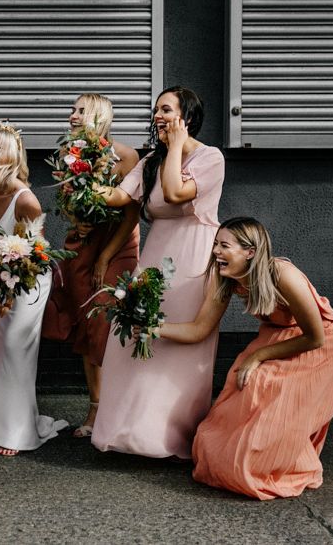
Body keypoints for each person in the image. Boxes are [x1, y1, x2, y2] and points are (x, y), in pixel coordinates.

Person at [153, 217, 333, 499]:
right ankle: (232, 456)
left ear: (250, 251)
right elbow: (199, 329)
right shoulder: (227, 280)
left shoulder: (281, 274)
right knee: (240, 386)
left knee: (266, 387)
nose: (216, 252)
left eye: (224, 246)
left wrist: (258, 356)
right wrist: (152, 328)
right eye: (215, 245)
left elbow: (315, 337)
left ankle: (267, 457)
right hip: (278, 335)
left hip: (324, 345)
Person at [90, 86, 225, 459]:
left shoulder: (210, 158)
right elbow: (119, 196)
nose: (158, 116)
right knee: (135, 335)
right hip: (156, 255)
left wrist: (178, 146)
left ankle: (169, 435)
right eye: (156, 110)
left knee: (177, 343)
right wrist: (83, 177)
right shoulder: (151, 160)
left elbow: (176, 192)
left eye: (167, 109)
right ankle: (130, 429)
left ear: (187, 116)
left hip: (194, 259)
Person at [0, 123, 68, 456]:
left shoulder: (27, 202)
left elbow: (36, 254)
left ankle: (17, 433)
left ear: (13, 157)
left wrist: (8, 281)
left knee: (14, 347)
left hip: (29, 281)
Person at [42, 93, 140, 437]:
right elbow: (69, 200)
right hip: (84, 242)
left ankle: (120, 406)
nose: (72, 115)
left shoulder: (126, 156)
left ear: (98, 115)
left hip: (118, 242)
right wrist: (76, 220)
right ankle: (95, 408)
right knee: (87, 323)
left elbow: (132, 213)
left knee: (106, 317)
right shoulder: (71, 156)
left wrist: (105, 256)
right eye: (72, 109)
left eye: (80, 110)